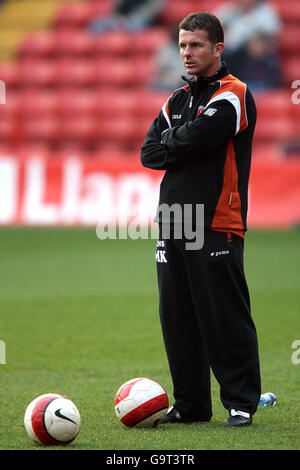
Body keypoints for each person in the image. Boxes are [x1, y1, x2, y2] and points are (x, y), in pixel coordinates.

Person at [140, 12, 261, 427]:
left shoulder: (234, 93)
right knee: (177, 318)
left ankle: (241, 401)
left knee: (224, 314)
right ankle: (191, 405)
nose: (187, 53)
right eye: (182, 45)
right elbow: (149, 152)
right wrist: (183, 139)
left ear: (217, 49)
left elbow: (200, 136)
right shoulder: (175, 99)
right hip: (172, 219)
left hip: (216, 219)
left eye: (195, 45)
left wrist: (178, 139)